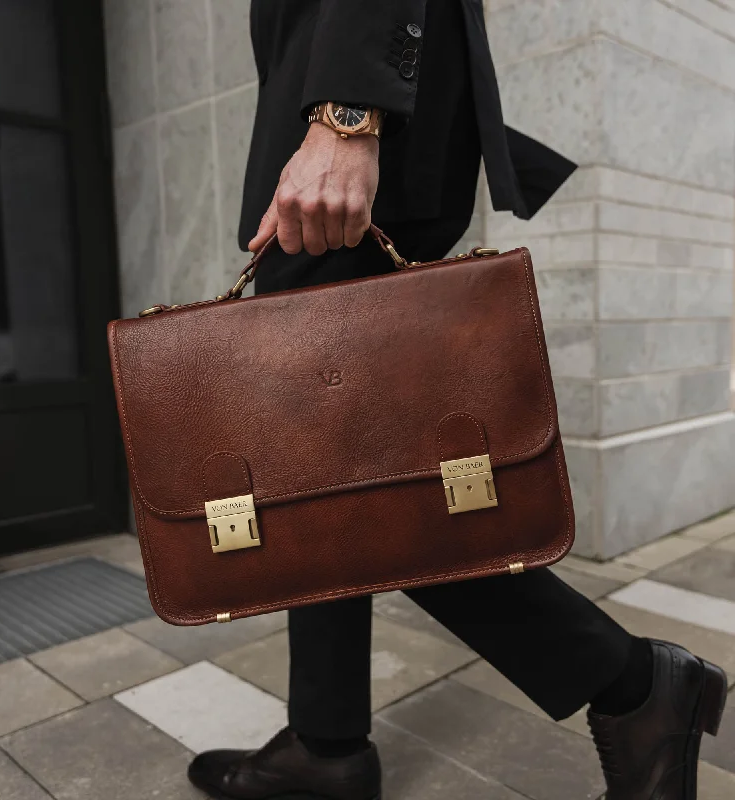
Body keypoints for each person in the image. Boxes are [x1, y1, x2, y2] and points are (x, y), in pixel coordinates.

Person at [187, 2, 728, 798]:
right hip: (357, 94)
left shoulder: (349, 111)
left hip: (356, 93)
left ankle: (633, 684)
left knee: (338, 467)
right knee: (328, 462)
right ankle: (326, 742)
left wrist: (347, 113)